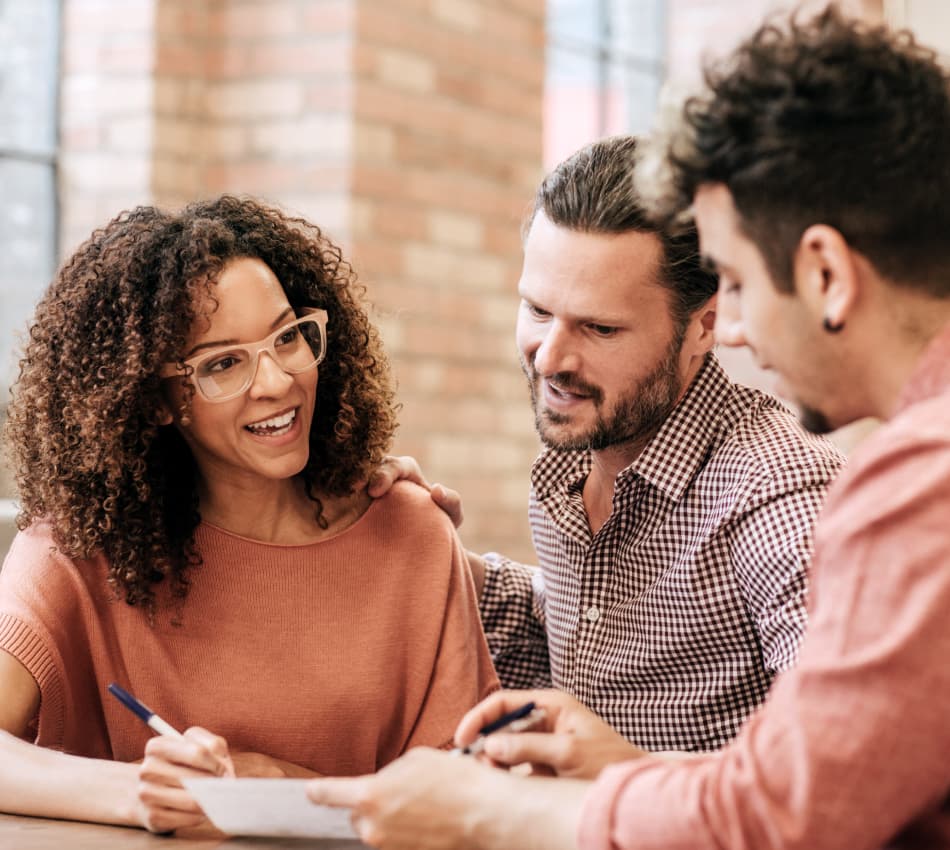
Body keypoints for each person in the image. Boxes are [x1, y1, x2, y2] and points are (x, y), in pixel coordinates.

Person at [308, 8, 950, 849]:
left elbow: (802, 806)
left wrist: (493, 813)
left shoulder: (897, 486)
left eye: (741, 285)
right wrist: (416, 552)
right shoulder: (578, 468)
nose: (743, 330)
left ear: (824, 272)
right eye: (536, 309)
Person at [0, 195, 498, 832]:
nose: (277, 381)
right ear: (155, 400)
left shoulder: (411, 534)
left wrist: (281, 793)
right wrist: (143, 793)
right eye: (223, 363)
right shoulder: (78, 549)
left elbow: (469, 813)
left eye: (289, 336)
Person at [374, 133, 844, 752]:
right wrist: (420, 545)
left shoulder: (778, 491)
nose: (551, 359)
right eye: (538, 310)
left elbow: (836, 760)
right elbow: (584, 631)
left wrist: (620, 773)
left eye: (599, 328)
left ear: (704, 326)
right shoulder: (581, 453)